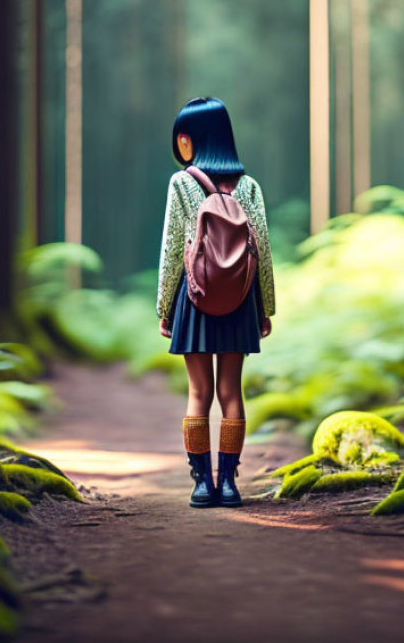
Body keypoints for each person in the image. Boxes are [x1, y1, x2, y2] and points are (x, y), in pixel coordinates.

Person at [155, 96, 275, 508]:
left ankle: (201, 483)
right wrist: (266, 308)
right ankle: (229, 482)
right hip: (240, 298)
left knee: (198, 391)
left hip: (196, 294)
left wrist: (164, 308)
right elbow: (262, 251)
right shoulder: (250, 185)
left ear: (192, 139)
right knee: (231, 392)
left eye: (183, 137)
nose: (180, 144)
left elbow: (173, 249)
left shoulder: (181, 183)